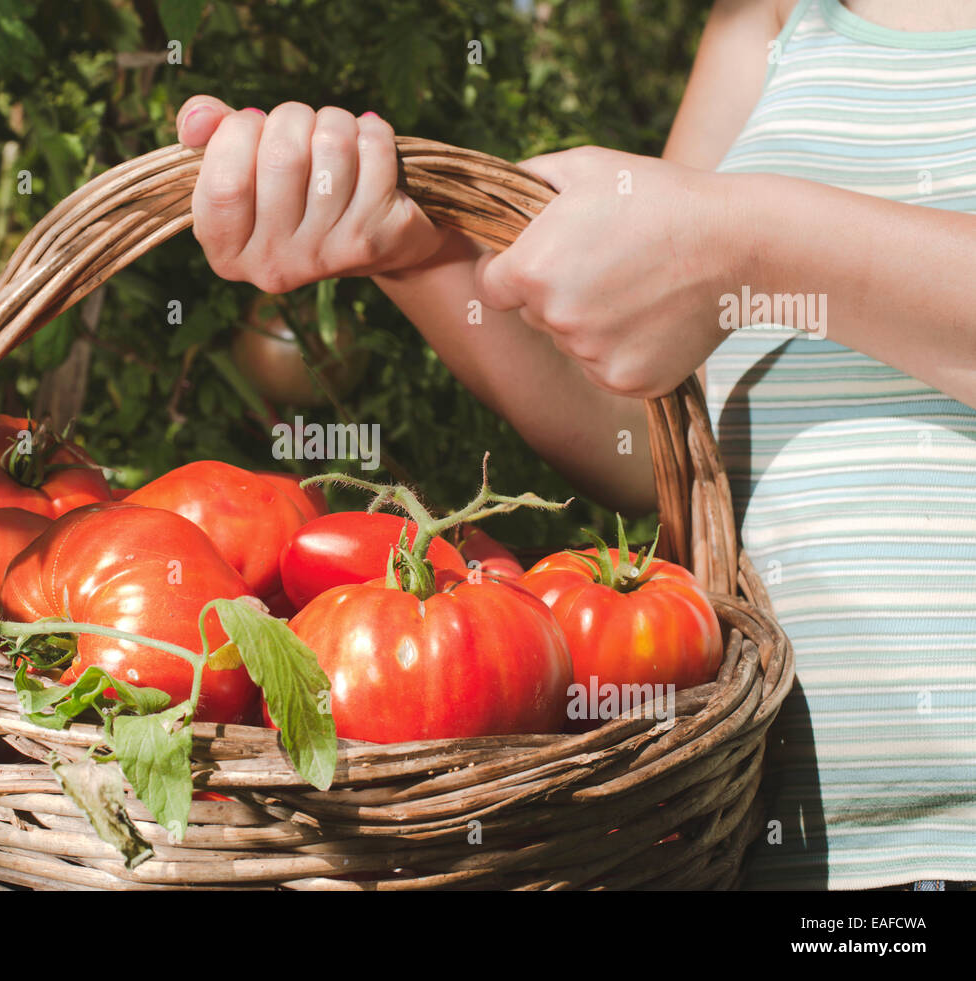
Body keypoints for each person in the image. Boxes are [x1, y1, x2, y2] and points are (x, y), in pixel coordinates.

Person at [173, 0, 976, 890]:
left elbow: (731, 250)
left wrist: (751, 245)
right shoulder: (772, 18)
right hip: (766, 844)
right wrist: (422, 254)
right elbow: (649, 436)